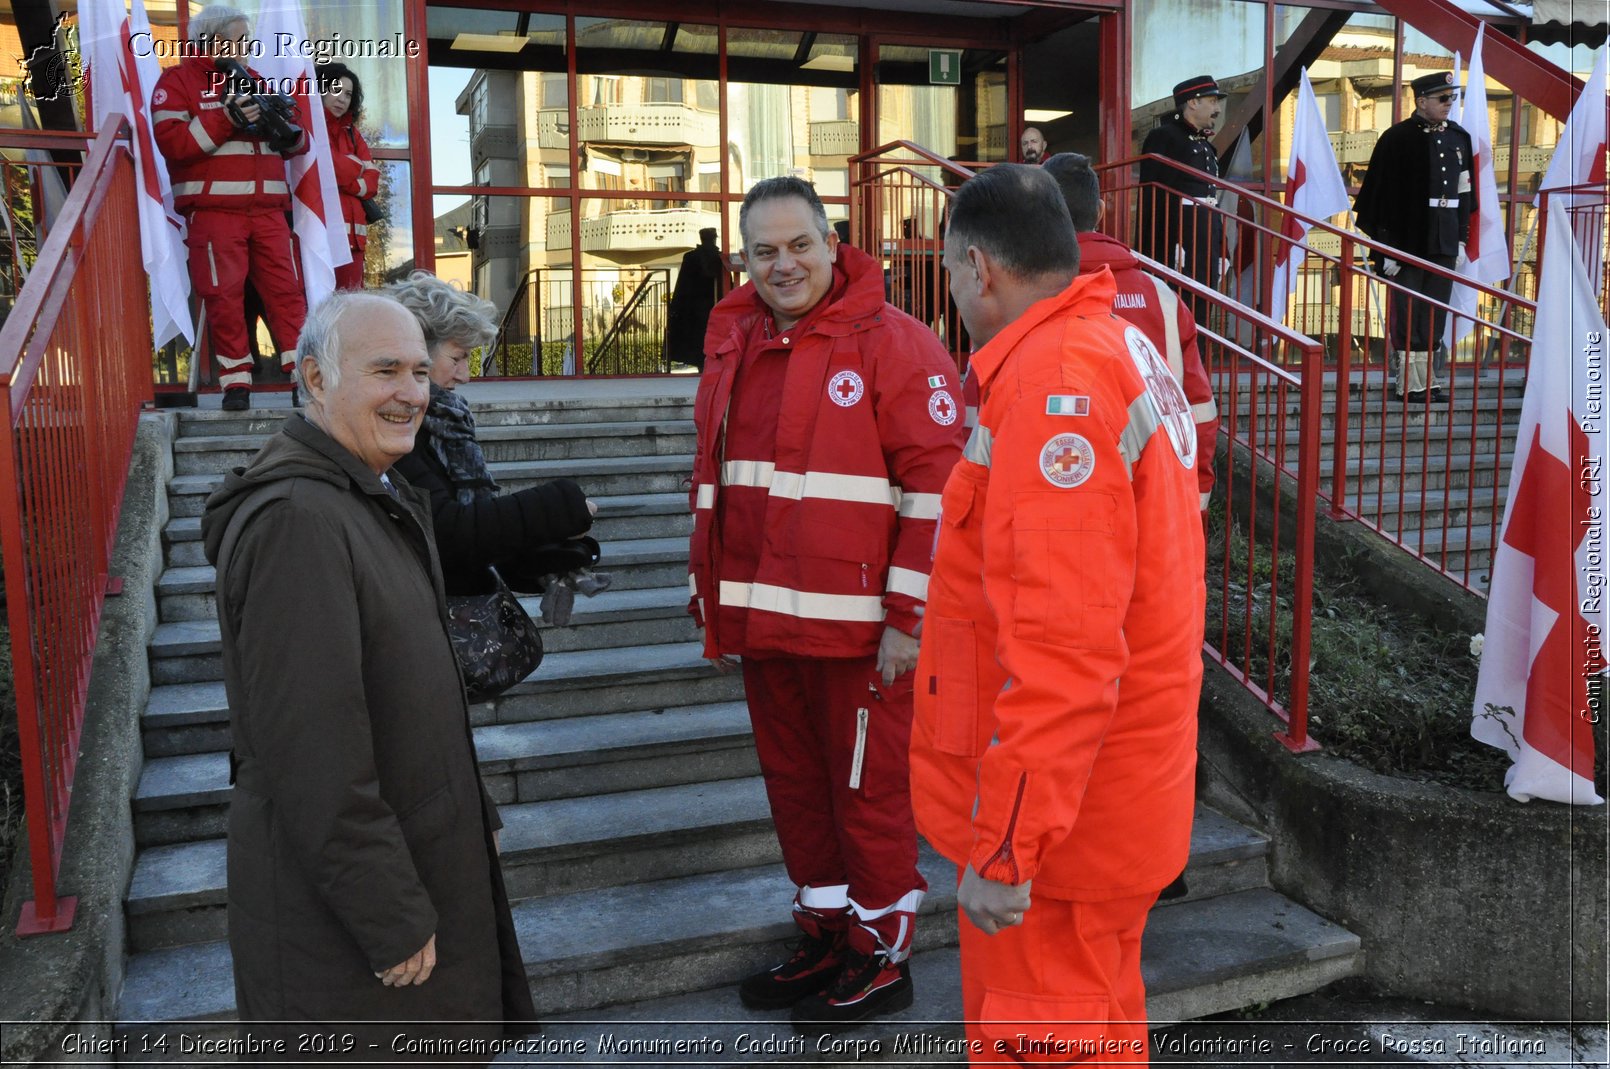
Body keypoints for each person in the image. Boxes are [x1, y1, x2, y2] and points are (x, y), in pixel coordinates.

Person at [911, 164, 1205, 1063]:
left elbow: (1064, 649)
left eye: (949, 273)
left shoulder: (1054, 384)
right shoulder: (1103, 346)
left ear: (978, 267)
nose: (954, 290)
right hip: (1105, 811)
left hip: (1062, 839)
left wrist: (1006, 847)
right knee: (1102, 1029)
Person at [200, 292, 537, 1059]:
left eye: (422, 370)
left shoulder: (365, 496)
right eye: (386, 369)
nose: (413, 392)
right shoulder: (299, 521)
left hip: (417, 876)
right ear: (315, 378)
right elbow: (312, 749)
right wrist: (387, 912)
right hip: (353, 934)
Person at [687, 176, 964, 1029]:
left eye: (799, 245)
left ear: (833, 243)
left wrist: (907, 622)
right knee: (798, 790)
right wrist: (714, 601)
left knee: (868, 794)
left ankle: (882, 951)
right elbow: (720, 487)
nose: (783, 264)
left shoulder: (897, 343)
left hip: (859, 639)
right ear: (745, 258)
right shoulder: (736, 341)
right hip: (768, 630)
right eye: (764, 251)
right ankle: (828, 929)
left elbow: (940, 495)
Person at [387, 272, 596, 596]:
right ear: (416, 352)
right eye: (457, 358)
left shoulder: (444, 425)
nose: (466, 375)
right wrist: (561, 505)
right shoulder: (394, 426)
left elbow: (470, 542)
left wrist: (548, 556)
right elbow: (447, 532)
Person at [1044, 151, 1219, 515]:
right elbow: (1198, 411)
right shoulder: (1164, 298)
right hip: (1160, 504)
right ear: (1101, 212)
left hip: (1060, 504)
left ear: (1040, 216)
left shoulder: (1027, 294)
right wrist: (1194, 499)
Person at [153, 5, 308, 412]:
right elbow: (173, 145)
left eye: (246, 38)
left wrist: (291, 136)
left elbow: (296, 140)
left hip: (270, 212)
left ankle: (302, 377)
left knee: (287, 294)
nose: (245, 46)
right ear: (210, 37)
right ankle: (235, 382)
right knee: (224, 296)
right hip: (215, 213)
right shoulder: (178, 81)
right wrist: (226, 118)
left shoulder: (255, 78)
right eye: (237, 38)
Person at [1353, 70, 1474, 404]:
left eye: (1452, 97)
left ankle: (1429, 380)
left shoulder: (1458, 138)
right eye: (1442, 98)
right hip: (1407, 238)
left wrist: (1461, 237)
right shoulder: (1397, 139)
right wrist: (1386, 248)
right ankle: (1409, 383)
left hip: (1444, 234)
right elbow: (1382, 197)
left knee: (1435, 309)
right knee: (1409, 310)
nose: (1449, 104)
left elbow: (1465, 192)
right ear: (1421, 101)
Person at [1138, 75, 1229, 290]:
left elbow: (1211, 199)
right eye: (1212, 101)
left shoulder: (1205, 145)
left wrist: (1222, 247)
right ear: (1193, 102)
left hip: (1206, 231)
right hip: (1181, 233)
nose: (1217, 109)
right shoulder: (1165, 136)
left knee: (1205, 298)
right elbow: (1157, 195)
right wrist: (1170, 242)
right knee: (1180, 301)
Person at [318, 62, 379, 292]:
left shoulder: (353, 134)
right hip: (322, 237)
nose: (342, 99)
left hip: (354, 241)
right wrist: (355, 168)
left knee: (351, 311)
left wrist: (344, 178)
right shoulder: (311, 125)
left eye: (348, 94)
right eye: (336, 90)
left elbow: (372, 182)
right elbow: (331, 168)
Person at [665, 227, 725, 371]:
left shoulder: (693, 257)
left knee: (699, 339)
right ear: (714, 238)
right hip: (710, 306)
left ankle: (703, 364)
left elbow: (682, 284)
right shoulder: (719, 258)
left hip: (694, 308)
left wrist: (676, 306)